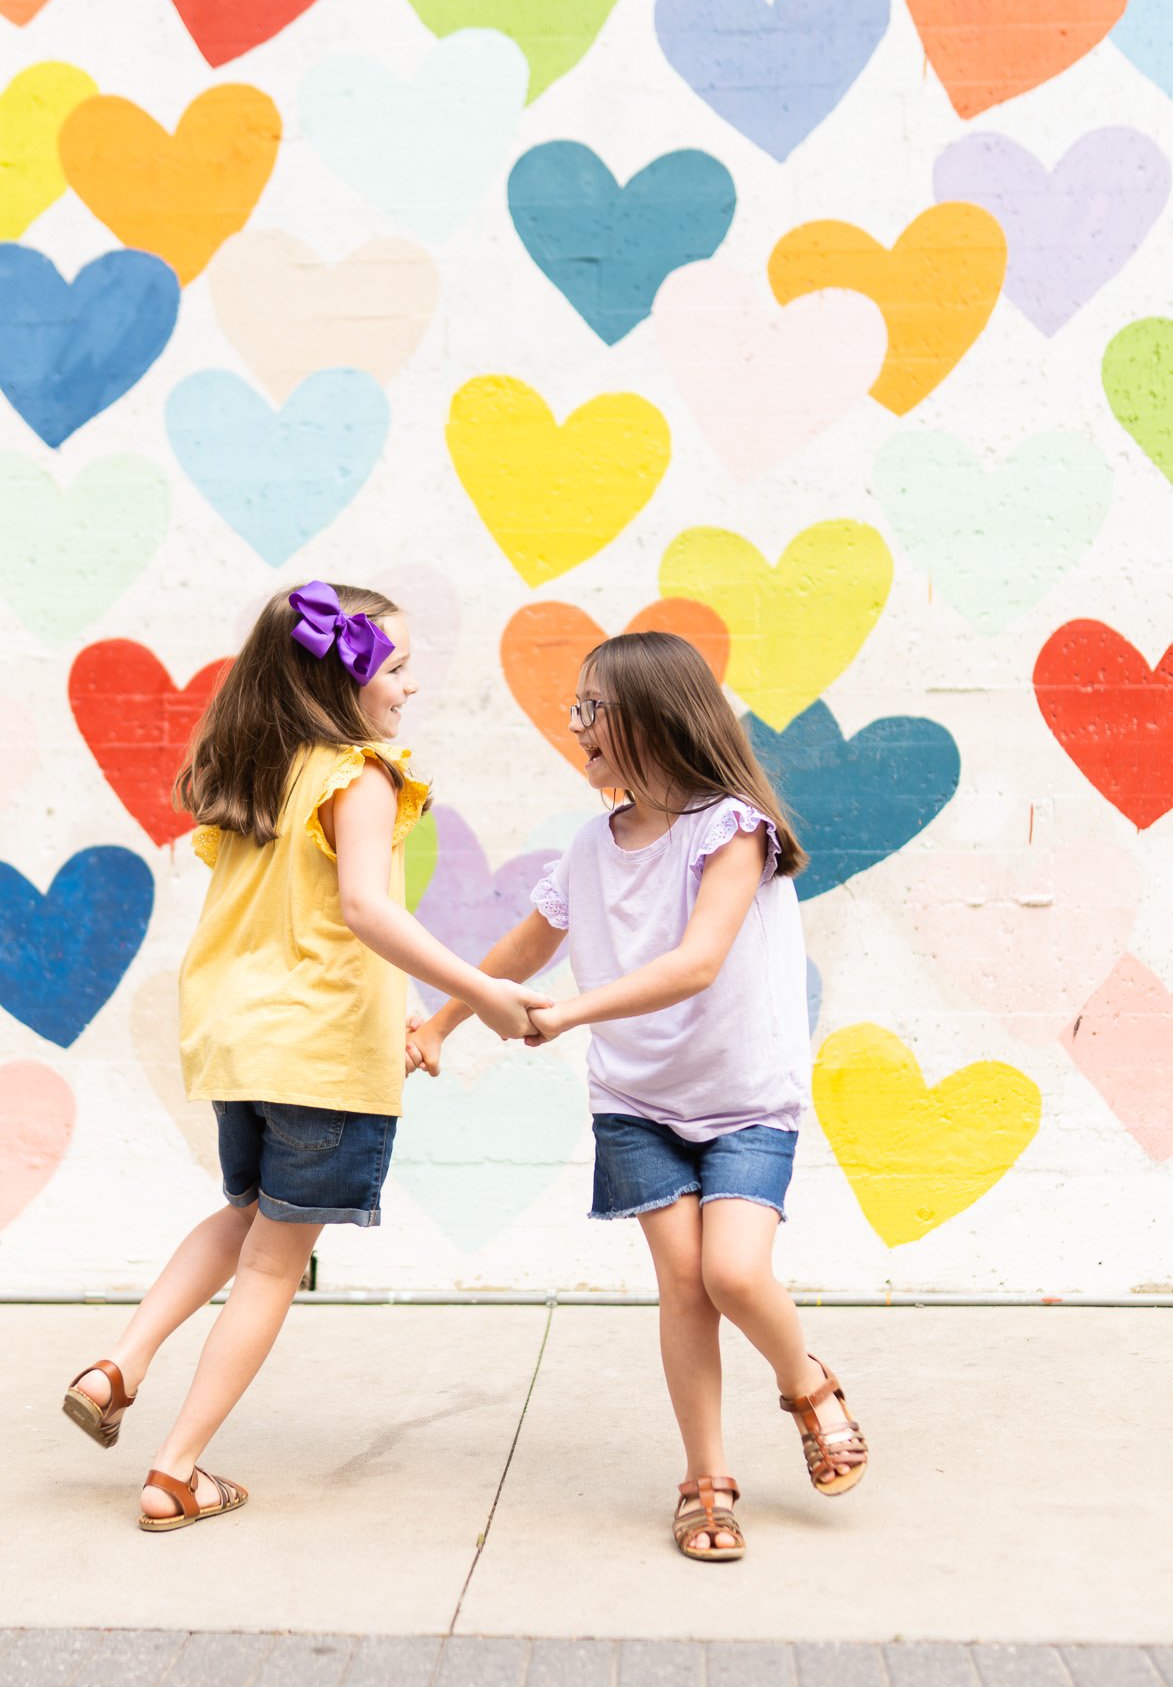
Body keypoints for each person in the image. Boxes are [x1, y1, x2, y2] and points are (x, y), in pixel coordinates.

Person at [62, 581, 550, 1531]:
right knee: (275, 1265)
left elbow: (304, 919)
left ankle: (117, 1361)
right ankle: (175, 1470)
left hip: (242, 1038)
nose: (409, 689)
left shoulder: (256, 771)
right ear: (348, 677)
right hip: (319, 1050)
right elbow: (365, 910)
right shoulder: (358, 775)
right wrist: (484, 994)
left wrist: (416, 1020)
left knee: (245, 1213)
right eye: (397, 668)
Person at [407, 632, 867, 1561]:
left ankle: (807, 1384)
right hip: (636, 1102)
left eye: (589, 708)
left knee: (733, 1273)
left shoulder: (731, 828)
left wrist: (570, 1013)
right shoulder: (589, 845)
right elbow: (522, 952)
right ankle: (706, 1481)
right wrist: (443, 1021)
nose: (574, 725)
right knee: (683, 1286)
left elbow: (696, 962)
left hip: (742, 1097)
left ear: (648, 717)